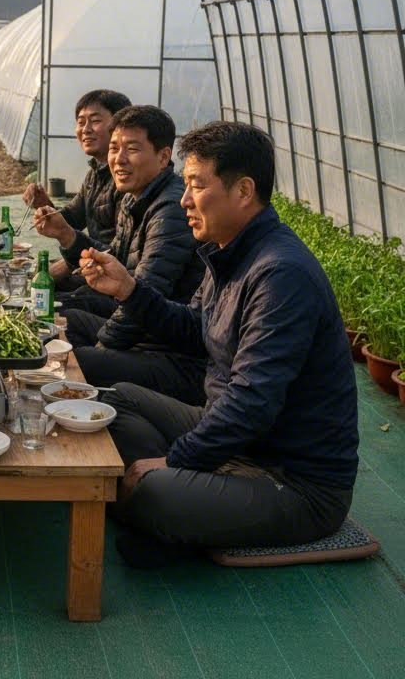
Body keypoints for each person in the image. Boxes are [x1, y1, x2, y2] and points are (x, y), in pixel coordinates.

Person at [78, 122, 358, 567]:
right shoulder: (228, 251)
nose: (184, 199)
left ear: (243, 191)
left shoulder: (280, 274)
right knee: (111, 403)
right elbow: (197, 329)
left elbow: (252, 401)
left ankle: (160, 508)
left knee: (152, 491)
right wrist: (130, 291)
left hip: (290, 479)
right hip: (232, 440)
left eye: (195, 185)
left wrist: (175, 459)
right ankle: (166, 510)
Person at [34, 105, 205, 405]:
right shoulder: (134, 197)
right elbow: (119, 264)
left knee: (73, 362)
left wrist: (102, 350)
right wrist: (66, 235)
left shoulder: (171, 212)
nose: (118, 159)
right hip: (147, 328)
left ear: (164, 157)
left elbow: (144, 295)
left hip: (171, 350)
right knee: (63, 322)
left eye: (132, 149)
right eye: (114, 148)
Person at [22, 89, 130, 290]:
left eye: (95, 121)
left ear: (119, 127)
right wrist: (44, 204)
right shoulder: (95, 172)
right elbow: (73, 218)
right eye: (81, 122)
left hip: (110, 274)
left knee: (49, 293)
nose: (86, 129)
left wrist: (66, 253)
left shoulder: (127, 179)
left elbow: (120, 255)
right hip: (91, 262)